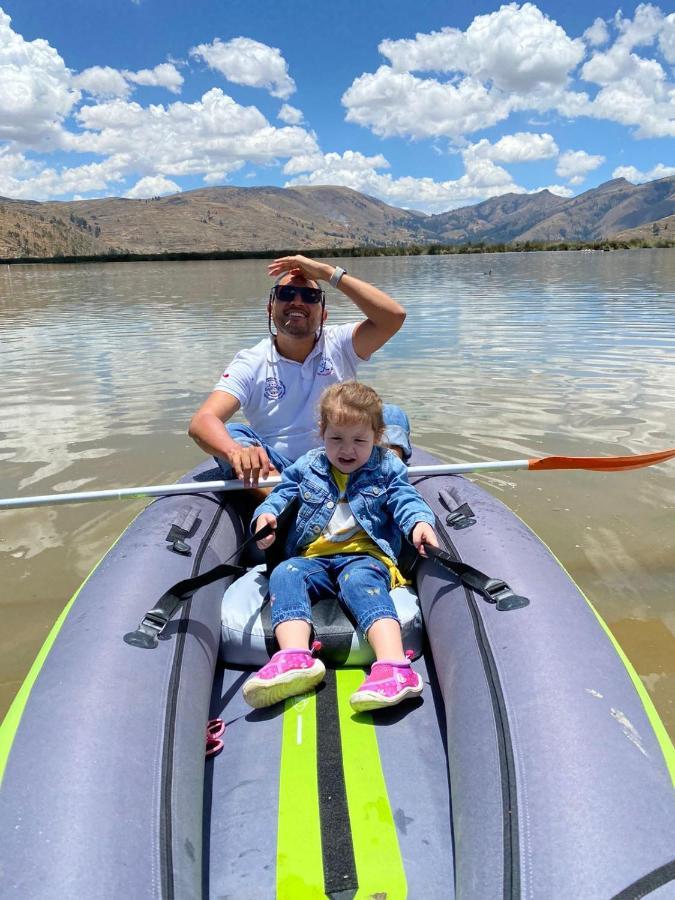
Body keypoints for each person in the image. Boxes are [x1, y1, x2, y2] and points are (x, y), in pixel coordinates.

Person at [241, 382, 439, 713]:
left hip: (365, 557)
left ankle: (395, 668)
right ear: (322, 433)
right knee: (286, 573)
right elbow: (280, 496)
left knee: (361, 582)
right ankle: (294, 658)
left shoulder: (387, 466)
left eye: (359, 441)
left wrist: (419, 523)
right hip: (312, 557)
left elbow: (406, 498)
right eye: (336, 439)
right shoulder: (308, 465)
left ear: (376, 437)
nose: (347, 450)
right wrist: (265, 518)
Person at [188, 255, 412, 489]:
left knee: (390, 414)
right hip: (281, 473)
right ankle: (282, 508)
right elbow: (203, 421)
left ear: (324, 314)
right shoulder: (250, 362)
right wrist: (235, 452)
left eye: (310, 296)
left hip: (345, 461)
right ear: (270, 309)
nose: (297, 301)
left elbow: (393, 317)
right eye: (286, 294)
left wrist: (327, 272)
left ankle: (382, 488)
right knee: (234, 433)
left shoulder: (341, 343)